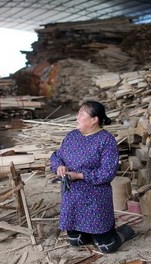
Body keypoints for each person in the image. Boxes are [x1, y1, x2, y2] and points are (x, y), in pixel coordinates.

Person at [50, 100, 135, 253]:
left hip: (95, 199)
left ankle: (125, 231)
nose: (76, 117)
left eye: (81, 114)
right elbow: (57, 156)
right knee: (76, 242)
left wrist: (80, 175)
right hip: (72, 199)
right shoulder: (72, 136)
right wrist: (59, 167)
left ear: (94, 120)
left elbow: (107, 173)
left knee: (106, 247)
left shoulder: (106, 141)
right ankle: (88, 233)